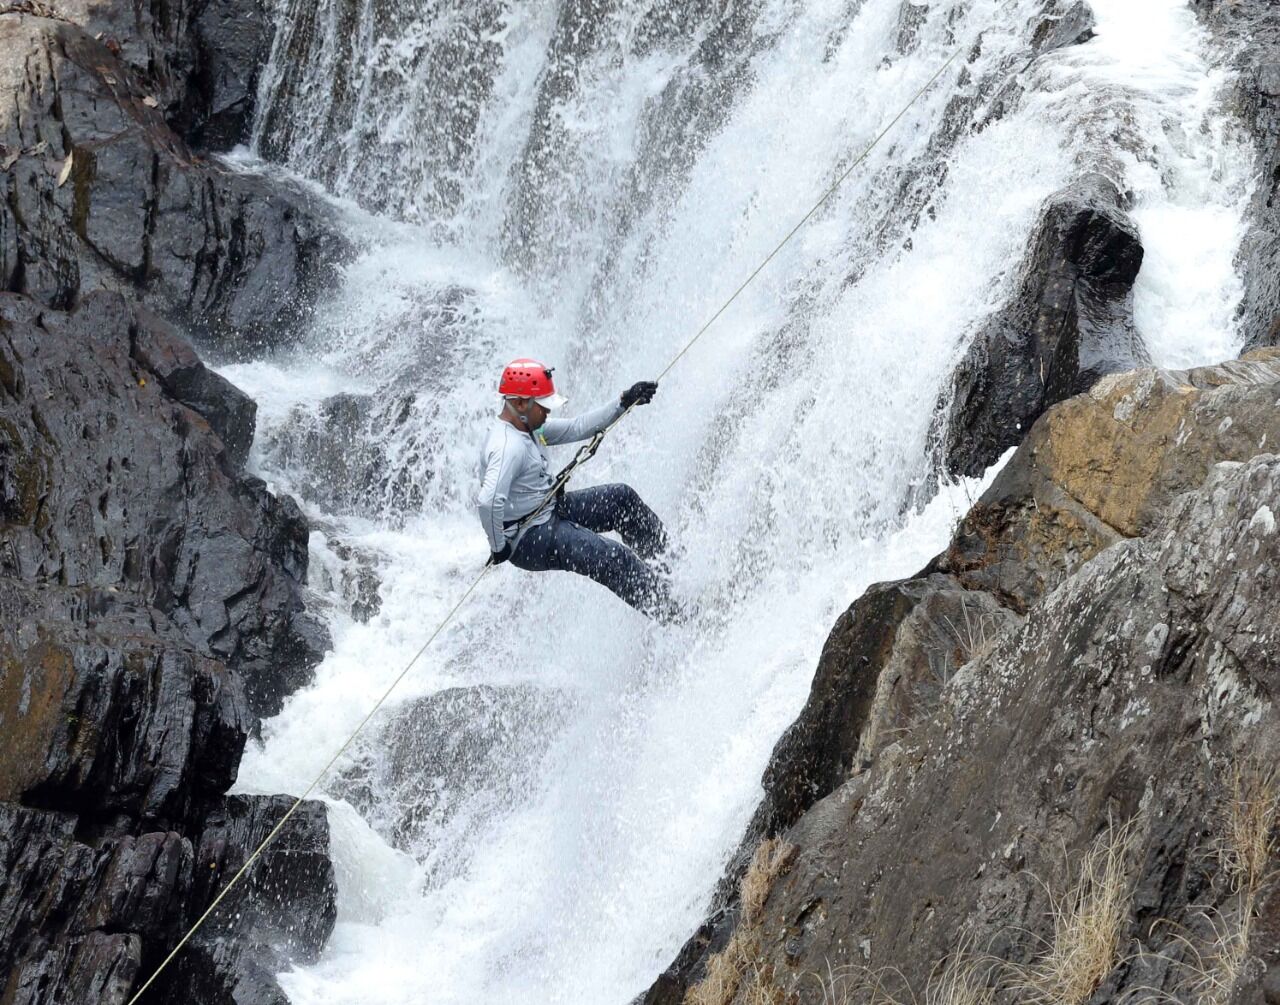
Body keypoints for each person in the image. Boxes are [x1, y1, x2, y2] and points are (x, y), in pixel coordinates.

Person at [476, 357, 680, 621]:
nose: (548, 412)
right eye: (543, 406)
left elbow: (577, 427)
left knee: (621, 499)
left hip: (550, 511)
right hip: (530, 540)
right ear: (519, 404)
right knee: (613, 557)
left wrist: (623, 402)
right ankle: (677, 614)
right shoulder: (507, 447)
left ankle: (676, 571)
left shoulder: (529, 427)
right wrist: (499, 548)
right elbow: (489, 501)